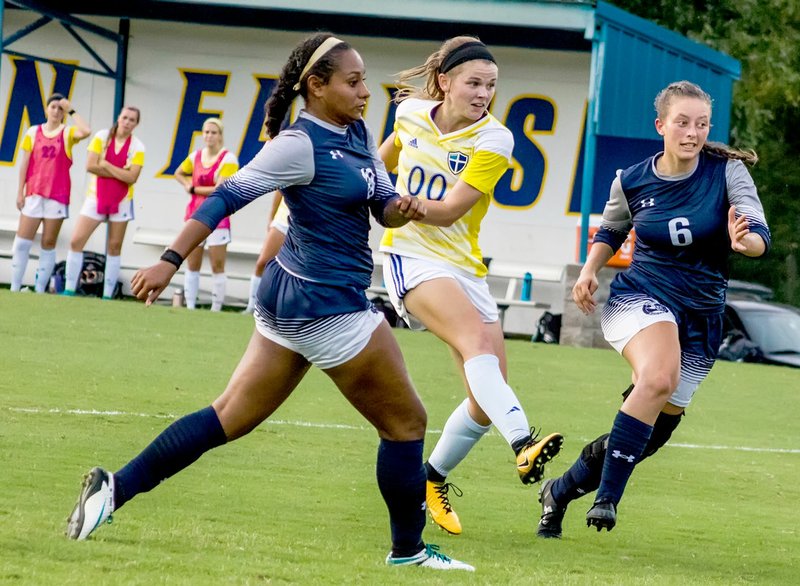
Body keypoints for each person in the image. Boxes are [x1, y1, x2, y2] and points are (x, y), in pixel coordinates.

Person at [65, 33, 473, 572]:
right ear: (316, 86)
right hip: (327, 304)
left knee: (229, 416)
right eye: (353, 82)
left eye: (365, 80)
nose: (365, 91)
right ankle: (409, 552)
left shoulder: (356, 134)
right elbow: (226, 195)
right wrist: (170, 258)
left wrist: (403, 207)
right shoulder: (297, 144)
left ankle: (113, 489)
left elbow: (381, 208)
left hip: (289, 298)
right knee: (406, 424)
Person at [536, 80, 771, 537]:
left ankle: (559, 491)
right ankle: (607, 501)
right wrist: (589, 271)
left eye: (701, 124)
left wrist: (747, 243)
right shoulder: (632, 178)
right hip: (641, 297)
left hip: (702, 316)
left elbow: (758, 233)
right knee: (658, 378)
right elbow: (612, 228)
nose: (693, 132)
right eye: (682, 122)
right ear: (660, 125)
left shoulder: (727, 172)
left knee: (650, 436)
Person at [378, 36, 563, 536]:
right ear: (445, 82)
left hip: (463, 266)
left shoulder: (495, 139)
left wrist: (410, 203)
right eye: (474, 83)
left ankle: (430, 479)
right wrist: (370, 197)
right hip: (409, 256)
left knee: (485, 398)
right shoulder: (411, 113)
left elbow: (451, 210)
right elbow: (380, 164)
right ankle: (523, 441)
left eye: (491, 86)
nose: (484, 93)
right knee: (476, 344)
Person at [10, 94, 90, 293]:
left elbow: (86, 131)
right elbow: (25, 164)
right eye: (53, 107)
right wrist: (20, 191)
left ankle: (39, 289)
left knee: (48, 242)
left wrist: (71, 109)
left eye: (60, 109)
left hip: (57, 195)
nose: (56, 111)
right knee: (22, 242)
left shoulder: (67, 133)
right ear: (46, 109)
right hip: (34, 193)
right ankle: (14, 287)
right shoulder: (33, 132)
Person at [63, 106, 144, 298]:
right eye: (125, 117)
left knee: (114, 247)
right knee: (76, 241)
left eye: (132, 120)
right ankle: (69, 289)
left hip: (122, 199)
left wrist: (106, 164)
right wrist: (120, 172)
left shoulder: (138, 147)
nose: (127, 122)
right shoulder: (102, 137)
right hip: (96, 196)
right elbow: (90, 165)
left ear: (136, 124)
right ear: (119, 117)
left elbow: (132, 177)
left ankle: (108, 294)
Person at [174, 117, 239, 311]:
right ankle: (191, 305)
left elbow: (220, 188)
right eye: (207, 132)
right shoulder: (196, 156)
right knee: (192, 262)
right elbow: (179, 172)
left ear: (220, 135)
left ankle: (216, 307)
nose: (209, 136)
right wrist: (187, 184)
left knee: (217, 264)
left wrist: (194, 189)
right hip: (195, 214)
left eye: (214, 132)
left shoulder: (228, 159)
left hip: (218, 217)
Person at [242, 192, 288, 315]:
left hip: (308, 225)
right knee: (263, 262)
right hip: (283, 220)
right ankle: (252, 306)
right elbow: (281, 189)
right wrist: (271, 217)